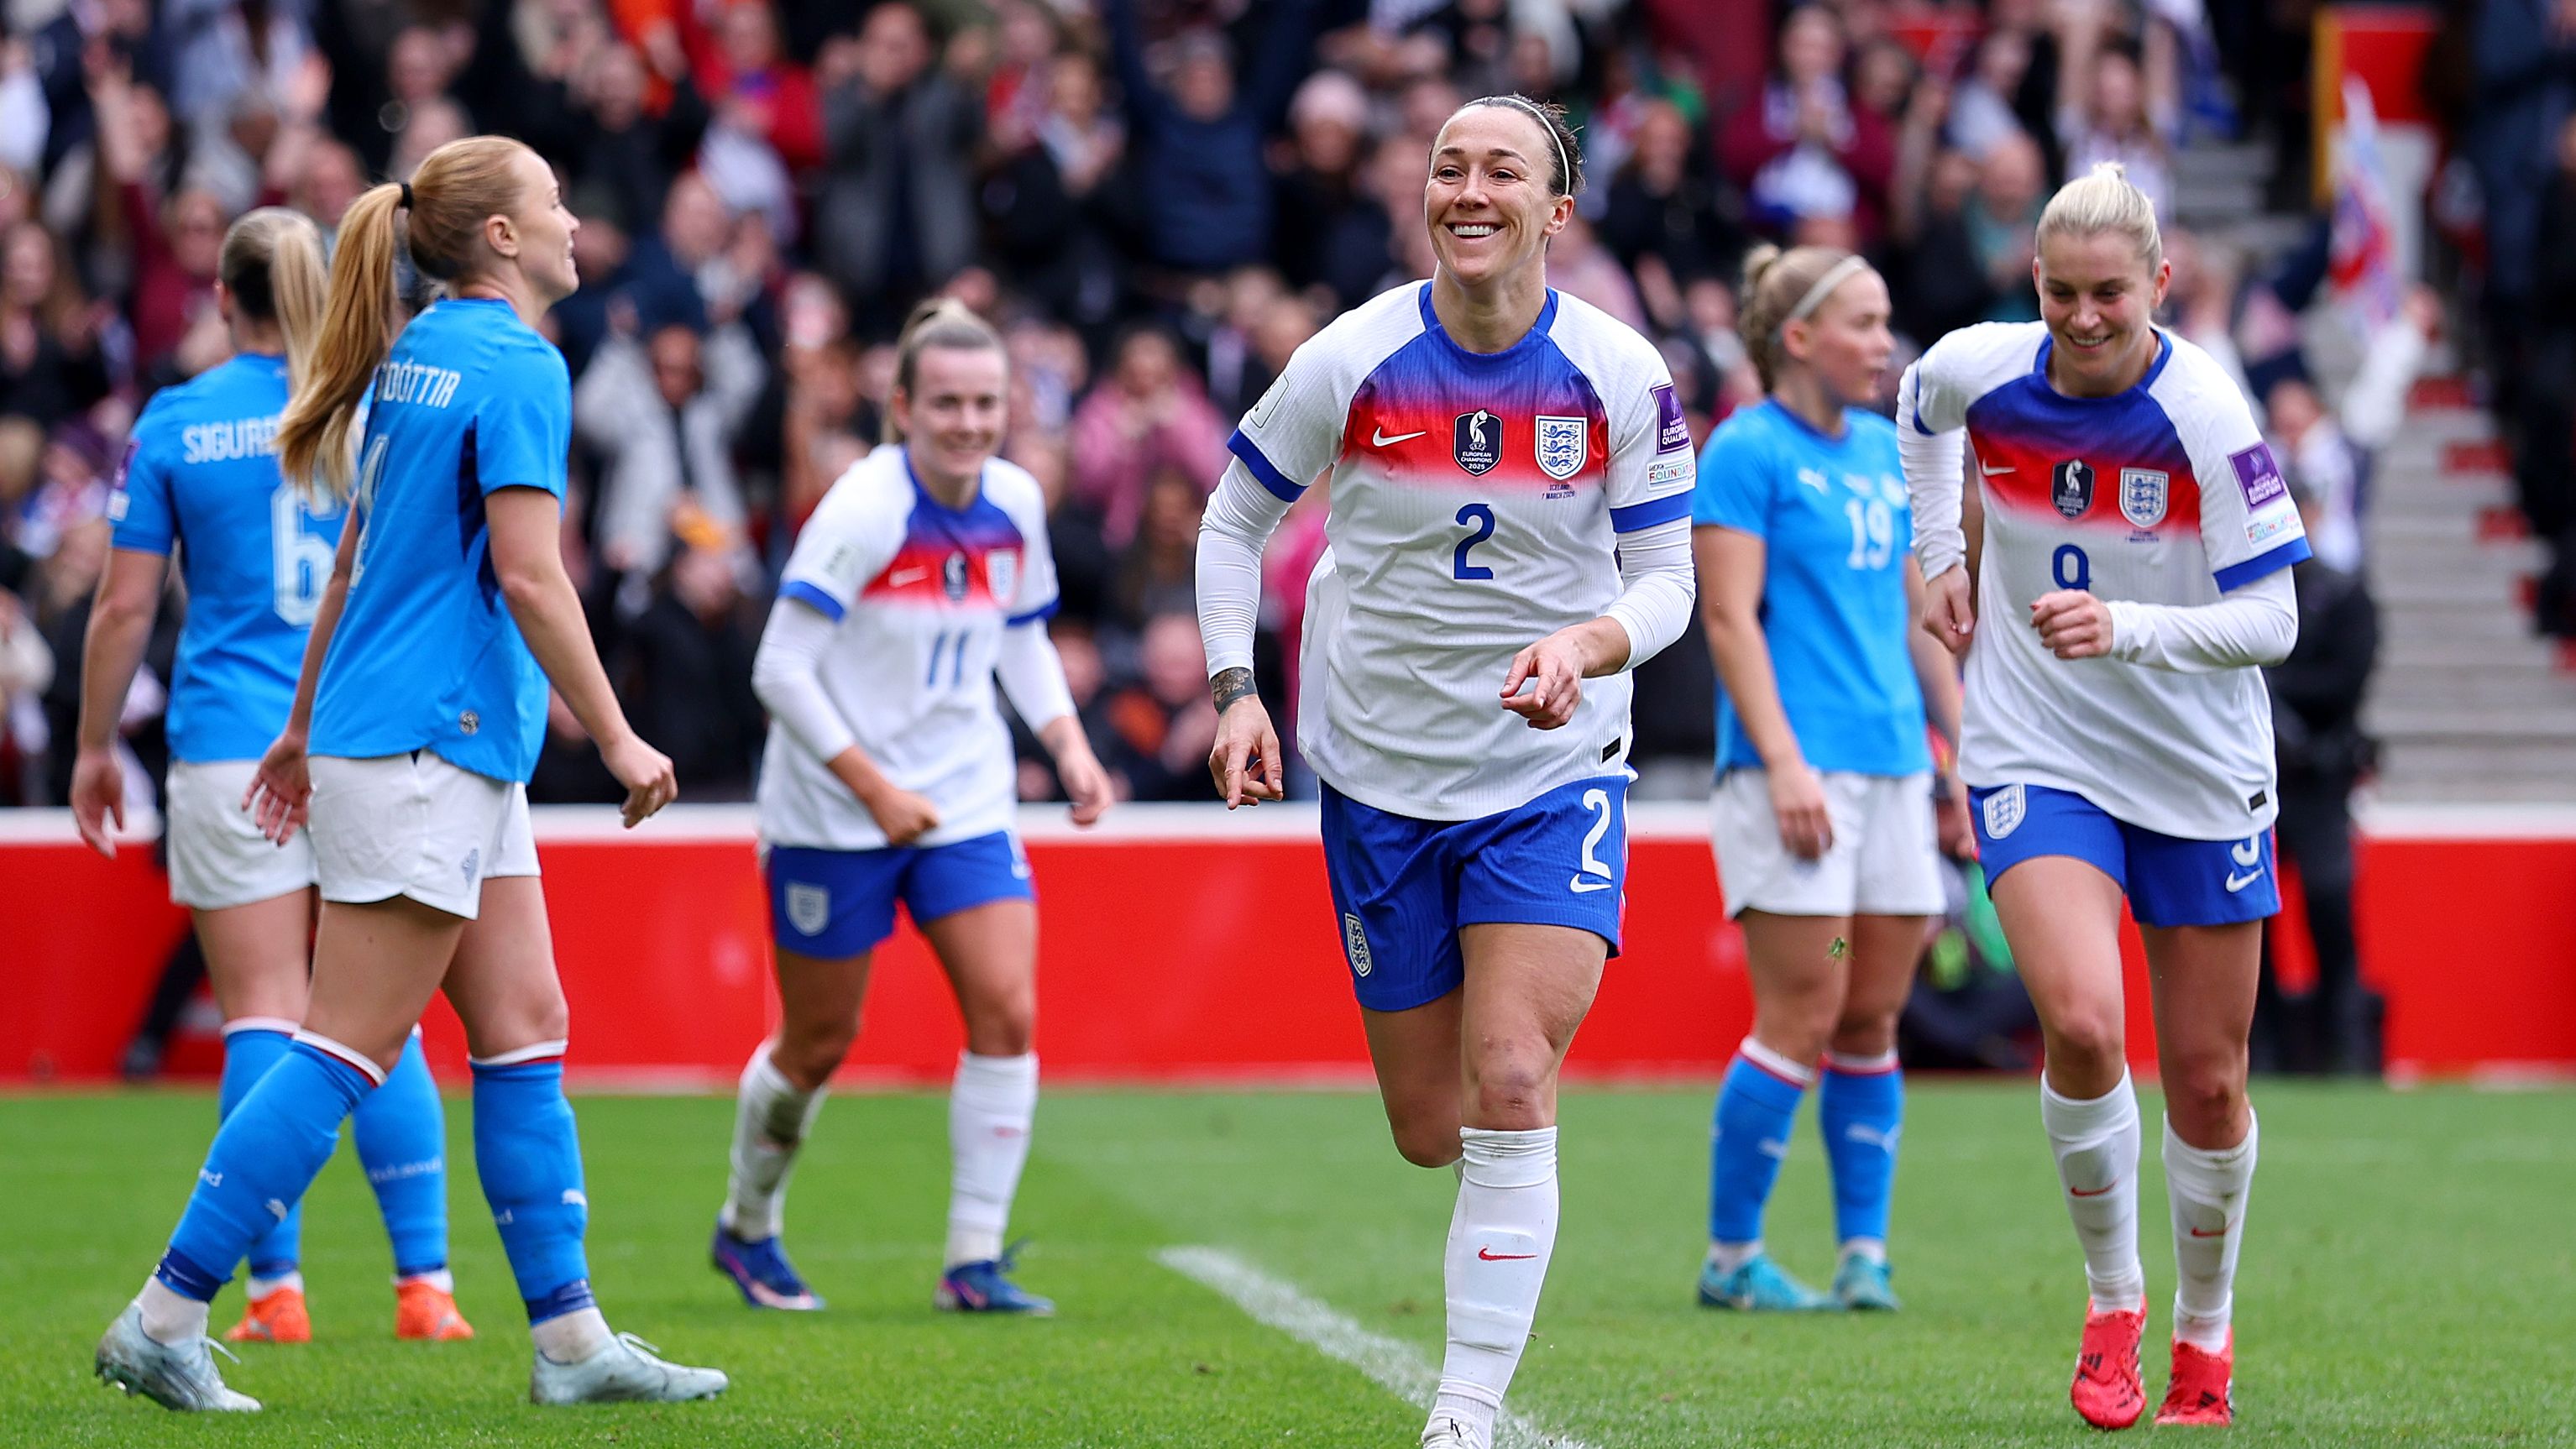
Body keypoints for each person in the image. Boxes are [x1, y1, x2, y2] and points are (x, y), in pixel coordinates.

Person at [92, 135, 726, 1412]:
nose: (572, 222)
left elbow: (356, 563)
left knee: (523, 1025)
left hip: (422, 739)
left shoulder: (410, 359)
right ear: (500, 235)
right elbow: (535, 575)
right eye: (552, 202)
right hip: (430, 742)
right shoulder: (517, 363)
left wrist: (296, 722)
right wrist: (618, 735)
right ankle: (162, 1314)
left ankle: (569, 1339)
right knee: (343, 1046)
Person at [1196, 96, 1697, 1449]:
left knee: (1512, 1076)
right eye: (1447, 167)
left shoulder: (1620, 374)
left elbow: (1666, 587)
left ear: (1559, 208)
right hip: (1376, 771)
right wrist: (1237, 688)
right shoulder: (1352, 357)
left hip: (1553, 771)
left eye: (1502, 171)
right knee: (1432, 1124)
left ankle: (1464, 1411)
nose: (1469, 190)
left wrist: (1584, 647)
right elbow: (1237, 515)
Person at [1898, 162, 2306, 1431]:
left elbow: (2278, 620)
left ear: (2160, 286)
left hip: (2196, 767)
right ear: (2035, 283)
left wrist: (2126, 624)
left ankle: (2205, 1328)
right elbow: (1920, 409)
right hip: (2036, 748)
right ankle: (2113, 1305)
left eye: (2110, 297)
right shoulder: (1985, 365)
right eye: (2062, 292)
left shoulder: (2206, 416)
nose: (2083, 318)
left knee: (2208, 1080)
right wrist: (1937, 553)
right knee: (2080, 1021)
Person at [68, 207, 470, 1347]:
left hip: (230, 741)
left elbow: (125, 605)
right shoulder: (367, 405)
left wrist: (96, 745)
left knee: (266, 1010)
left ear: (220, 298)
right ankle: (426, 1285)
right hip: (365, 730)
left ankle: (274, 1291)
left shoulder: (181, 420)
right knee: (373, 1017)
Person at [710, 297, 1113, 1317]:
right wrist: (874, 791)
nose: (969, 424)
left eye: (986, 404)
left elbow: (1019, 633)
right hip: (835, 812)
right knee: (817, 1041)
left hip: (965, 795)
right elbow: (781, 668)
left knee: (1007, 1011)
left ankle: (972, 1261)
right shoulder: (861, 511)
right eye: (947, 404)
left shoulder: (1013, 503)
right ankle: (747, 1228)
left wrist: (1066, 745)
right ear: (902, 405)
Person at [1690, 242, 1971, 1315]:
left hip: (1897, 770)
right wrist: (1782, 762)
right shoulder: (1744, 450)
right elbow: (1727, 619)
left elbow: (1917, 620)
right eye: (1863, 322)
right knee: (1801, 1012)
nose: (1883, 344)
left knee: (1870, 1016)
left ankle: (1864, 1254)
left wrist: (1959, 758)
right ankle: (1730, 1257)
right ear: (1798, 337)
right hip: (1792, 777)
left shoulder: (1881, 452)